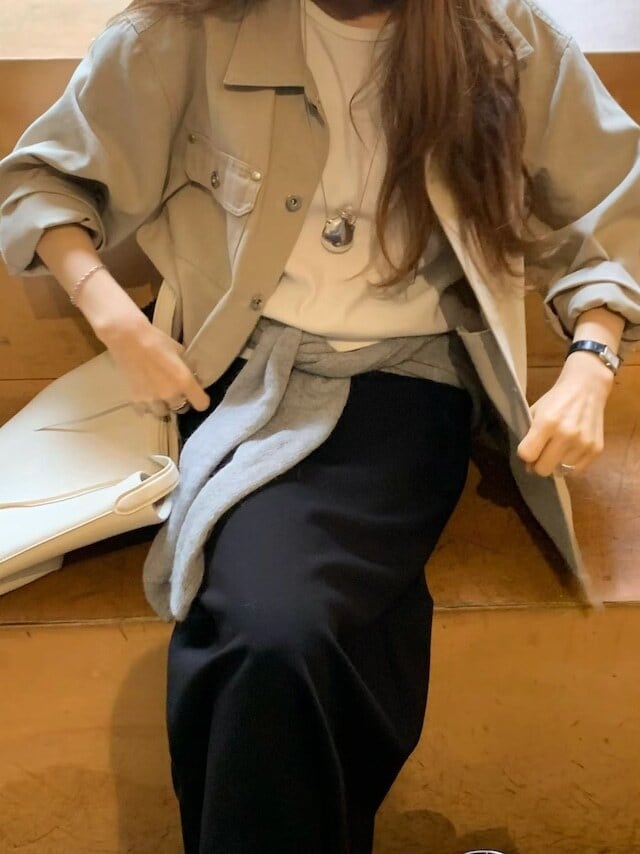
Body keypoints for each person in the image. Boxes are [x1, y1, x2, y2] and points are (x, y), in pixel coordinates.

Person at [0, 0, 639, 851]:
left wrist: (592, 360)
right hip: (227, 376)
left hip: (407, 382)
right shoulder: (189, 31)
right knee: (275, 634)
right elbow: (39, 183)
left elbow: (615, 207)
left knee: (274, 632)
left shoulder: (501, 36)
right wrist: (123, 326)